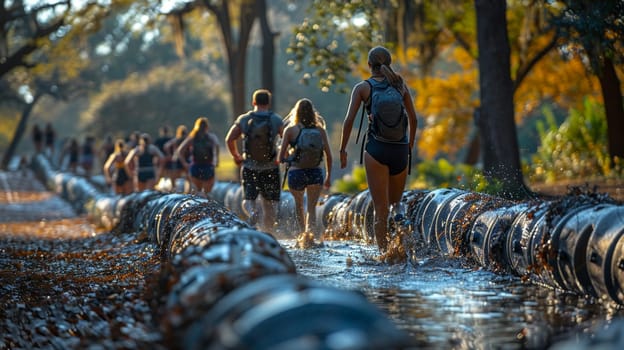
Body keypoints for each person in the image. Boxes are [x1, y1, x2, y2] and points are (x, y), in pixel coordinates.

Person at [338, 46, 418, 253]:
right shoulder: (400, 86)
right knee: (395, 203)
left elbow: (349, 121)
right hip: (400, 149)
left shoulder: (363, 88)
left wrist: (343, 149)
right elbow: (414, 119)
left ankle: (384, 254)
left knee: (380, 209)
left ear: (369, 65)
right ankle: (403, 232)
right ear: (388, 64)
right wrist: (409, 145)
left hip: (376, 149)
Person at [225, 89, 284, 233]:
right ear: (268, 103)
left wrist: (237, 156)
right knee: (271, 203)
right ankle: (268, 232)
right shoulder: (276, 119)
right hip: (271, 167)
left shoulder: (244, 119)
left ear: (254, 102)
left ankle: (253, 214)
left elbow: (229, 139)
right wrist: (281, 157)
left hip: (250, 166)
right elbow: (287, 140)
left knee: (249, 199)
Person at [278, 98, 332, 237]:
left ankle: (303, 235)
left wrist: (289, 156)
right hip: (315, 172)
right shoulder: (320, 130)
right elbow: (328, 155)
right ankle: (311, 236)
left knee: (299, 206)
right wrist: (328, 177)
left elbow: (280, 158)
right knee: (311, 208)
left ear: (296, 113)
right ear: (313, 113)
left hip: (296, 173)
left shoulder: (290, 130)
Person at [175, 117, 220, 196]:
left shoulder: (192, 138)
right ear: (207, 126)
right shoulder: (211, 137)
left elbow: (180, 150)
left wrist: (185, 163)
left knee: (197, 192)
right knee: (207, 193)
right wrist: (216, 160)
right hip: (208, 166)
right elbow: (217, 145)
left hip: (195, 167)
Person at [163, 125, 189, 192]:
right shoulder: (185, 140)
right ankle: (186, 191)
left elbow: (166, 146)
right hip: (184, 159)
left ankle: (174, 189)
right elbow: (166, 146)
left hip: (177, 159)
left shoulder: (176, 139)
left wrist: (170, 155)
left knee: (174, 177)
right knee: (187, 177)